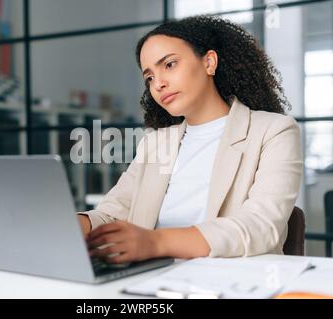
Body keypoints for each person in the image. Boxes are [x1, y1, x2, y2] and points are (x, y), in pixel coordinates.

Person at [77, 15, 303, 264]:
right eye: (149, 77)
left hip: (232, 281)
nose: (159, 84)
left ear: (209, 62)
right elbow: (113, 212)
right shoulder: (155, 143)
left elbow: (260, 227)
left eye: (170, 65)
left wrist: (156, 242)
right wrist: (78, 224)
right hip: (154, 278)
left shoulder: (273, 131)